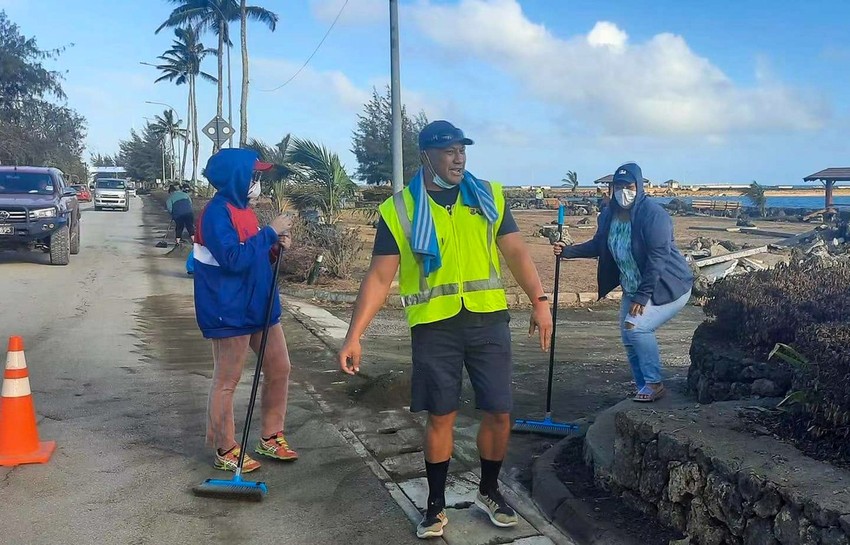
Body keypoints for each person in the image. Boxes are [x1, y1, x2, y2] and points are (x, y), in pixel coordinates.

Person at [338, 120, 553, 539]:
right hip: (435, 326)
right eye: (449, 151)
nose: (459, 158)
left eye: (462, 150)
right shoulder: (399, 209)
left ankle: (489, 490)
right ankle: (435, 505)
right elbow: (379, 278)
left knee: (499, 411)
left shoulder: (488, 196)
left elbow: (516, 252)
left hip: (488, 318)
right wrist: (354, 334)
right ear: (426, 156)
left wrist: (540, 302)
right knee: (441, 416)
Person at [192, 148, 298, 472]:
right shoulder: (215, 215)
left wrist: (274, 247)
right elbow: (233, 259)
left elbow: (251, 257)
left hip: (260, 306)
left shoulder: (245, 212)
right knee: (227, 379)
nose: (257, 182)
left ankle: (270, 436)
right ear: (237, 177)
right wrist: (268, 232)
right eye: (253, 176)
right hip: (230, 310)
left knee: (280, 368)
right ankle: (226, 448)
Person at [554, 162, 693, 402]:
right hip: (633, 287)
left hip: (667, 287)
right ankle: (643, 386)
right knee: (628, 339)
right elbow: (599, 244)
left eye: (628, 186)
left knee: (636, 329)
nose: (623, 191)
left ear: (638, 186)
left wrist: (642, 296)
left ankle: (654, 383)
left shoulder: (654, 215)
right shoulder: (609, 215)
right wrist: (568, 252)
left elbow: (657, 259)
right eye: (618, 186)